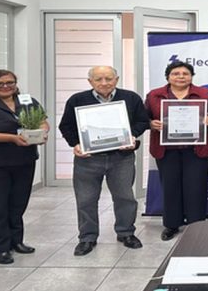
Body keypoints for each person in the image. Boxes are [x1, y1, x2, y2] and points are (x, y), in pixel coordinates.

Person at [58, 66, 149, 256]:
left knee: (125, 197)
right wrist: (75, 144)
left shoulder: (130, 98)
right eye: (98, 79)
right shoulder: (77, 99)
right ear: (90, 81)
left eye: (109, 78)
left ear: (117, 79)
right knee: (86, 199)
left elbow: (143, 121)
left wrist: (132, 135)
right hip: (88, 159)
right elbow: (65, 125)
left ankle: (126, 233)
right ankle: (87, 237)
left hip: (121, 158)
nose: (104, 83)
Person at [0, 69, 48, 264]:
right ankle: (0, 248)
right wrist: (12, 138)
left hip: (23, 162)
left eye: (10, 82)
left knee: (17, 205)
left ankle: (16, 241)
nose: (5, 86)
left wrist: (42, 133)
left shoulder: (27, 102)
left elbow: (42, 122)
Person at [146, 61, 208, 240]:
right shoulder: (154, 95)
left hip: (196, 149)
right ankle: (172, 225)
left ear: (191, 76)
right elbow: (143, 117)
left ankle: (196, 225)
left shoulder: (203, 93)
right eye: (176, 73)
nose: (181, 77)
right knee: (170, 187)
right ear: (168, 77)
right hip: (167, 150)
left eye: (185, 73)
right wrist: (151, 124)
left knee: (196, 188)